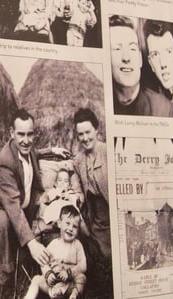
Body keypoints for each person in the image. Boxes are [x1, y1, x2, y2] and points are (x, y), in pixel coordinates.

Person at [0, 109, 52, 298]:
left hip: (20, 208)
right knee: (4, 221)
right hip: (0, 209)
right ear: (11, 133)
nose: (26, 140)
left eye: (30, 134)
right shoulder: (5, 160)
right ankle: (1, 282)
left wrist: (52, 150)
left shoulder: (28, 150)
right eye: (21, 134)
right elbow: (13, 207)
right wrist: (32, 243)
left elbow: (35, 152)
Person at [109, 15, 173, 116]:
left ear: (140, 59)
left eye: (132, 49)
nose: (126, 57)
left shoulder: (163, 109)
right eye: (117, 49)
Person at [70, 109, 111, 259]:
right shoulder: (79, 160)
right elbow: (74, 176)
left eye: (88, 132)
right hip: (95, 223)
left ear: (96, 129)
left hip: (113, 219)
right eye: (80, 134)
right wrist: (78, 191)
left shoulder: (109, 152)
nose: (85, 138)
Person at [24, 205, 87, 299]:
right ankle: (29, 297)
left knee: (82, 278)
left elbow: (83, 265)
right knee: (36, 279)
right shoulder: (53, 244)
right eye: (67, 223)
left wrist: (69, 273)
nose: (70, 229)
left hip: (70, 283)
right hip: (54, 283)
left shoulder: (77, 245)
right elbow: (43, 262)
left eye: (75, 226)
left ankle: (74, 295)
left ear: (78, 230)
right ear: (59, 223)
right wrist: (48, 274)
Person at [143, 19, 173, 117]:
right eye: (155, 54)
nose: (163, 64)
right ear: (151, 64)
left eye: (168, 51)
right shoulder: (150, 103)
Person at [35, 169, 81, 234]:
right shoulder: (54, 191)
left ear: (69, 186)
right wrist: (57, 194)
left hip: (68, 214)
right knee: (54, 217)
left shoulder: (70, 193)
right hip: (55, 212)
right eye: (60, 180)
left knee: (76, 217)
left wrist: (69, 197)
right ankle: (51, 226)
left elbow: (75, 201)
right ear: (56, 184)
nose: (62, 183)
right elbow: (47, 198)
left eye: (66, 181)